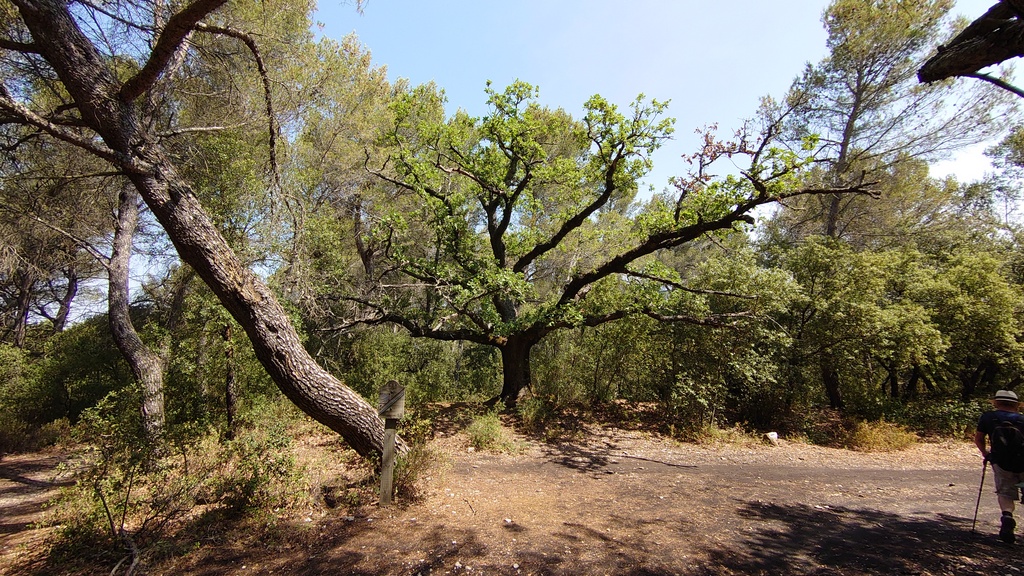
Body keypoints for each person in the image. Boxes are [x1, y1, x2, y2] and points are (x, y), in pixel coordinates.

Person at [975, 389, 1024, 544]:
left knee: (1005, 492)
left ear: (996, 403)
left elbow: (979, 439)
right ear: (1016, 405)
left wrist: (986, 454)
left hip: (1001, 462)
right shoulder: (1023, 419)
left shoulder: (988, 417)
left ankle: (1007, 516)